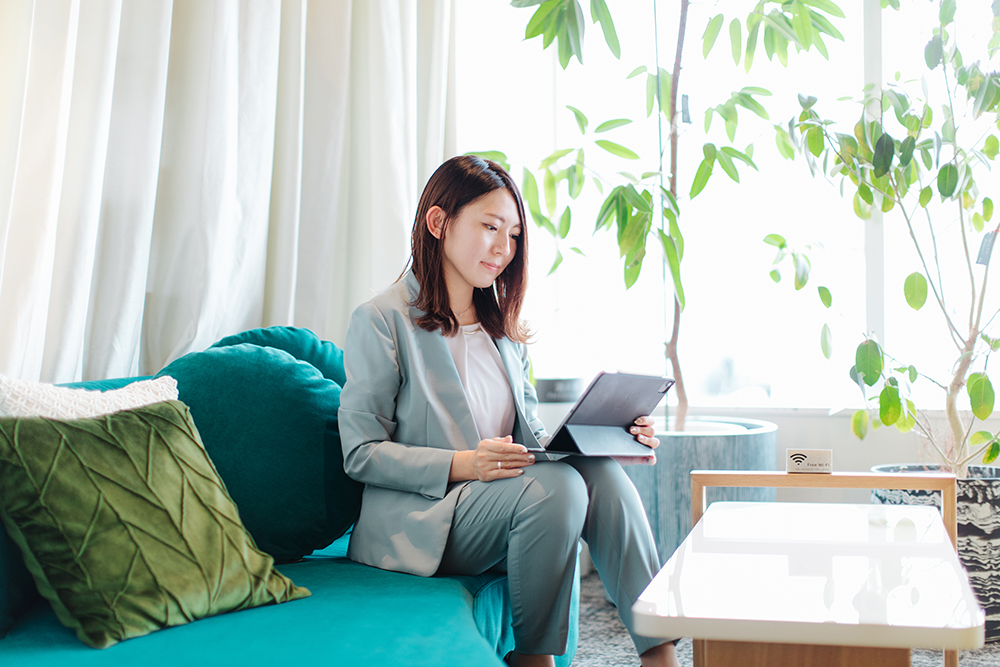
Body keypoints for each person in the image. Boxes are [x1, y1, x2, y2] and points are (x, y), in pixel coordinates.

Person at [338, 155, 680, 667]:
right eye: (491, 227)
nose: (504, 248)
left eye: (515, 234)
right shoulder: (382, 320)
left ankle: (660, 653)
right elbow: (360, 454)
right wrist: (465, 464)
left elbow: (531, 437)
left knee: (600, 475)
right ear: (438, 223)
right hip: (430, 518)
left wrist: (608, 436)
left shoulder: (503, 330)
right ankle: (534, 659)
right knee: (560, 487)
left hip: (505, 502)